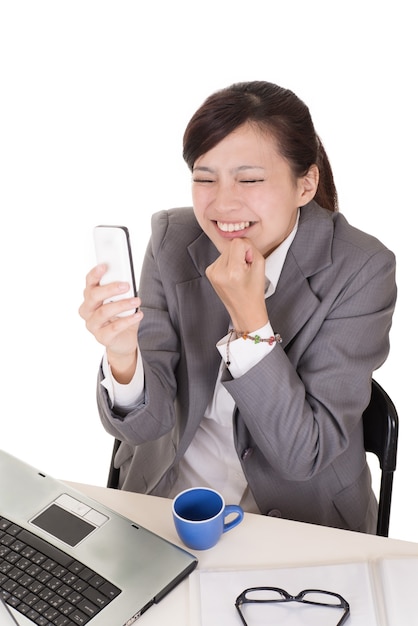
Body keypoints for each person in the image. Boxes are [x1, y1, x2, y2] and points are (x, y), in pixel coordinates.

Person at [79, 81, 396, 533]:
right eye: (204, 178)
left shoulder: (362, 269)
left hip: (299, 523)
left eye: (249, 179)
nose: (223, 203)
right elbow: (143, 430)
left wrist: (252, 325)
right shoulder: (173, 240)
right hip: (169, 506)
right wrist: (123, 356)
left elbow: (302, 455)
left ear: (305, 184)